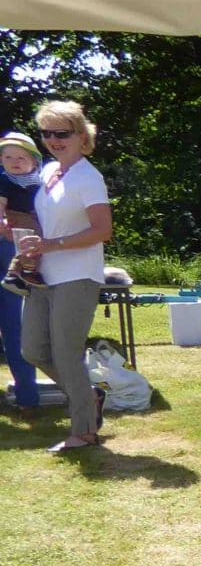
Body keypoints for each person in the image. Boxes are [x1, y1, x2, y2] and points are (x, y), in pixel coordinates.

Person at [16, 102, 112, 453]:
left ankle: (84, 432)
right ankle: (89, 395)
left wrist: (51, 245)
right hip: (44, 275)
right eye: (46, 133)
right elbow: (46, 222)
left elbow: (102, 230)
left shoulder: (88, 177)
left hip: (78, 275)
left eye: (62, 133)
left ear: (81, 136)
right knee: (32, 349)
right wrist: (28, 242)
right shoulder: (48, 172)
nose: (53, 140)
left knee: (67, 354)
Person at [0, 130, 43, 410]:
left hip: (15, 251)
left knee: (15, 326)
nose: (14, 162)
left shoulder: (43, 183)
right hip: (9, 244)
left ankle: (28, 397)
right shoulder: (3, 180)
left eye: (21, 157)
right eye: (8, 157)